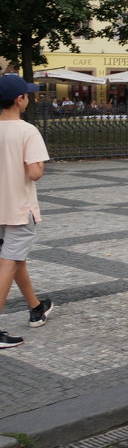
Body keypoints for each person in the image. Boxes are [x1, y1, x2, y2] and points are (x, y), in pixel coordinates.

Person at [0, 74, 54, 348]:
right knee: (8, 261)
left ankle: (36, 308)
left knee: (14, 258)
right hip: (19, 208)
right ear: (19, 99)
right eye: (27, 95)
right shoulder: (27, 131)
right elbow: (34, 173)